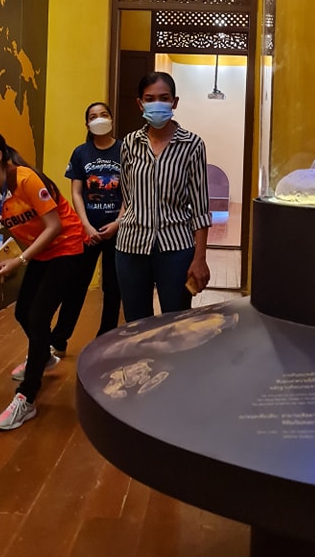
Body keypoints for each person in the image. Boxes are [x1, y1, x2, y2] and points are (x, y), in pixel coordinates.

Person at [0, 130, 88, 431]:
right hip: (40, 252)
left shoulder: (26, 180)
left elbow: (54, 227)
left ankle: (26, 398)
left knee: (38, 317)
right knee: (23, 312)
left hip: (68, 247)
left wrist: (20, 260)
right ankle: (44, 357)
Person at [115, 71, 212, 322]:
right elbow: (128, 195)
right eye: (149, 99)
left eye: (164, 98)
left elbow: (200, 206)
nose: (157, 103)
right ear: (140, 103)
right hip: (131, 247)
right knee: (136, 323)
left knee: (176, 322)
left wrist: (200, 258)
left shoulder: (192, 145)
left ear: (174, 102)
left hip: (176, 248)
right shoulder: (129, 144)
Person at [50, 101, 122, 349]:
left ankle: (105, 339)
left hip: (117, 231)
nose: (99, 119)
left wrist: (118, 222)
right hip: (88, 232)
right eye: (93, 116)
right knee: (76, 286)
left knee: (113, 288)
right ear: (87, 123)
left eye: (103, 114)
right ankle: (59, 339)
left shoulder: (125, 150)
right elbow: (76, 193)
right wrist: (86, 226)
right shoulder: (81, 152)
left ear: (111, 119)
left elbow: (132, 192)